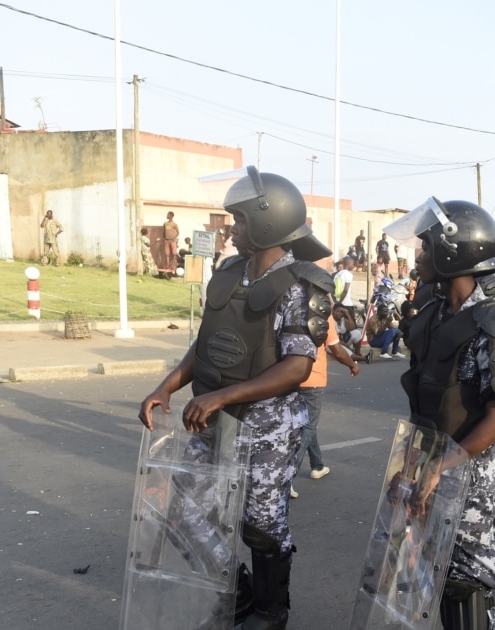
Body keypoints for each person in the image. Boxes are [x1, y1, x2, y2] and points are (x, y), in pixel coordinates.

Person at [137, 166, 333, 628]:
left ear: (268, 222)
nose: (231, 228)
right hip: (217, 419)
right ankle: (238, 587)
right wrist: (167, 386)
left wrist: (223, 395)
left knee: (262, 527)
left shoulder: (302, 284)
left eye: (239, 220)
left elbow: (297, 365)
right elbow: (206, 343)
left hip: (269, 425)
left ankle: (270, 609)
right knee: (181, 510)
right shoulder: (229, 273)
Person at [386, 197, 495, 629]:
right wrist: (411, 462)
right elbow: (424, 401)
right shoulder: (432, 315)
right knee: (429, 568)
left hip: (466, 469)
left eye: (427, 247)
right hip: (426, 458)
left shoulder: (494, 322)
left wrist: (440, 468)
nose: (420, 255)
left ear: (454, 251)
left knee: (464, 577)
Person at [291, 313, 360, 499]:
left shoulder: (292, 307)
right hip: (313, 380)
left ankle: (318, 465)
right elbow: (336, 350)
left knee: (307, 423)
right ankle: (287, 477)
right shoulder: (323, 315)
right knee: (308, 426)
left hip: (289, 377)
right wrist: (352, 364)